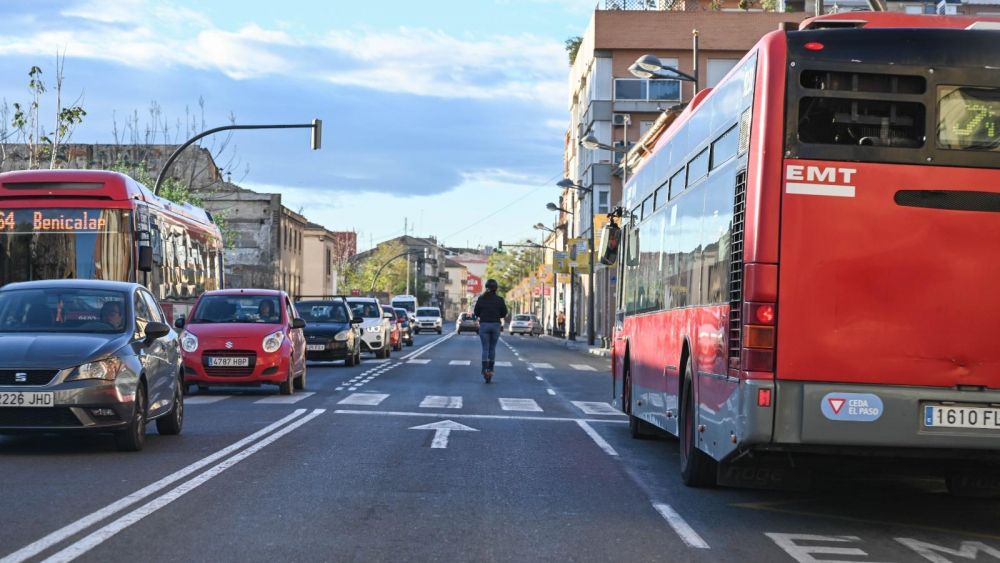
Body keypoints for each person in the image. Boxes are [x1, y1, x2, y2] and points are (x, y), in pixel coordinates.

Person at [473, 278, 508, 383]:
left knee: (485, 348)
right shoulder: (500, 299)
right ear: (496, 288)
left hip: (484, 325)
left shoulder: (481, 298)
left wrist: (483, 314)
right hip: (495, 325)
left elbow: (476, 312)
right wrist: (497, 315)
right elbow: (504, 313)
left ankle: (484, 369)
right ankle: (491, 369)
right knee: (492, 348)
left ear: (486, 287)